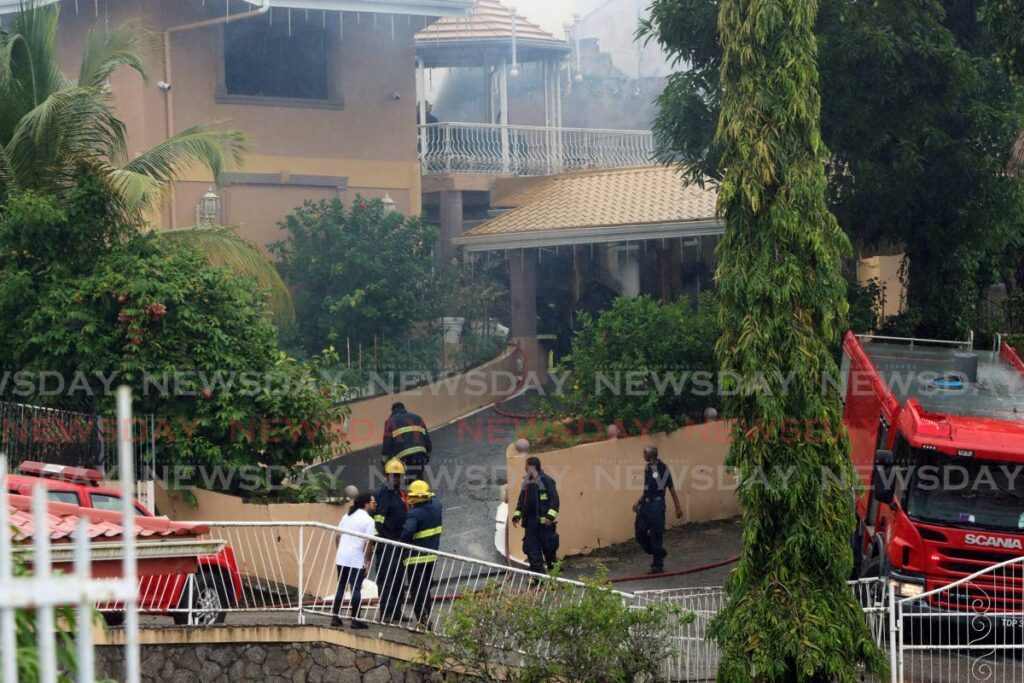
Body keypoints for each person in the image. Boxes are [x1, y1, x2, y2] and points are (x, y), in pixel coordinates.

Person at [633, 445, 683, 574]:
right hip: (646, 505)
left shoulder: (662, 468)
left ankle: (657, 564)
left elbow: (669, 487)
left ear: (651, 455)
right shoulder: (647, 467)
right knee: (640, 532)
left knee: (656, 534)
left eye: (645, 453)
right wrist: (638, 502)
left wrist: (678, 507)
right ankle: (659, 552)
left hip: (657, 505)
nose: (643, 455)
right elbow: (647, 488)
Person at [401, 479, 442, 629]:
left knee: (417, 590)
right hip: (432, 555)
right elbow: (434, 497)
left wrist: (402, 543)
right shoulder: (437, 506)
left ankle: (422, 621)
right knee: (425, 589)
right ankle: (427, 619)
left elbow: (407, 533)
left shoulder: (415, 514)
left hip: (415, 558)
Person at [332, 492, 376, 629]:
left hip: (342, 557)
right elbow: (368, 543)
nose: (375, 504)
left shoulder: (347, 516)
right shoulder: (369, 521)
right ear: (366, 504)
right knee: (356, 588)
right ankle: (355, 619)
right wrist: (367, 560)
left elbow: (338, 536)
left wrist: (340, 550)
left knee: (341, 586)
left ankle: (335, 617)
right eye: (373, 501)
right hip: (356, 558)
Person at [374, 459, 410, 623]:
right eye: (393, 476)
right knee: (387, 578)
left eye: (398, 476)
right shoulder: (384, 493)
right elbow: (379, 521)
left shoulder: (399, 493)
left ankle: (396, 611)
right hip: (388, 544)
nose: (396, 479)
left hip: (400, 543)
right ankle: (387, 612)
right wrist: (386, 541)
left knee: (398, 579)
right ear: (387, 475)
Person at [511, 456, 560, 574]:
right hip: (531, 525)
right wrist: (517, 515)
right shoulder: (526, 483)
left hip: (544, 525)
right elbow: (521, 501)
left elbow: (555, 501)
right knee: (532, 551)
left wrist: (550, 517)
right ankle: (538, 578)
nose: (524, 468)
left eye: (526, 465)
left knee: (549, 551)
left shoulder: (547, 481)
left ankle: (555, 576)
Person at [382, 402, 432, 483]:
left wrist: (385, 460)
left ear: (392, 411)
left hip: (405, 457)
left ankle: (412, 492)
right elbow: (426, 437)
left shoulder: (390, 421)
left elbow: (387, 442)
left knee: (410, 480)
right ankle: (421, 492)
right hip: (420, 454)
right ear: (404, 408)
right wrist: (428, 453)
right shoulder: (417, 418)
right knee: (419, 477)